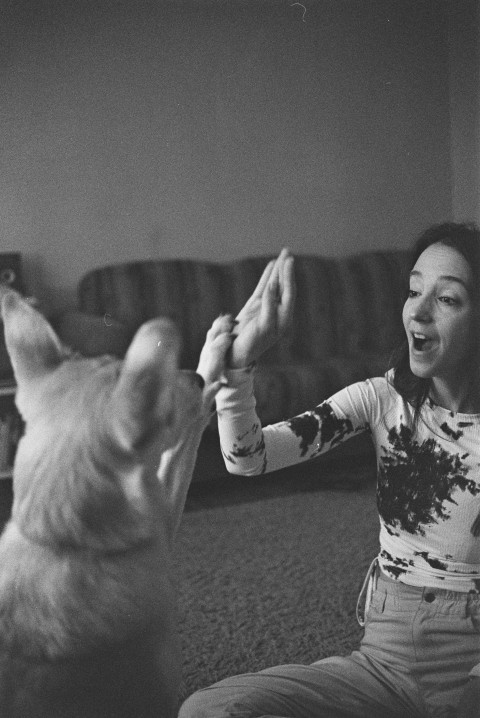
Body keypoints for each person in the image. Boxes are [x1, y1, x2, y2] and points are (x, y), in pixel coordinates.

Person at [181, 222, 480, 718]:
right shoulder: (381, 399)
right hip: (383, 663)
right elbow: (248, 457)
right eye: (413, 290)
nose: (418, 311)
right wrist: (240, 364)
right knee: (209, 710)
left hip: (471, 664)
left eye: (447, 299)